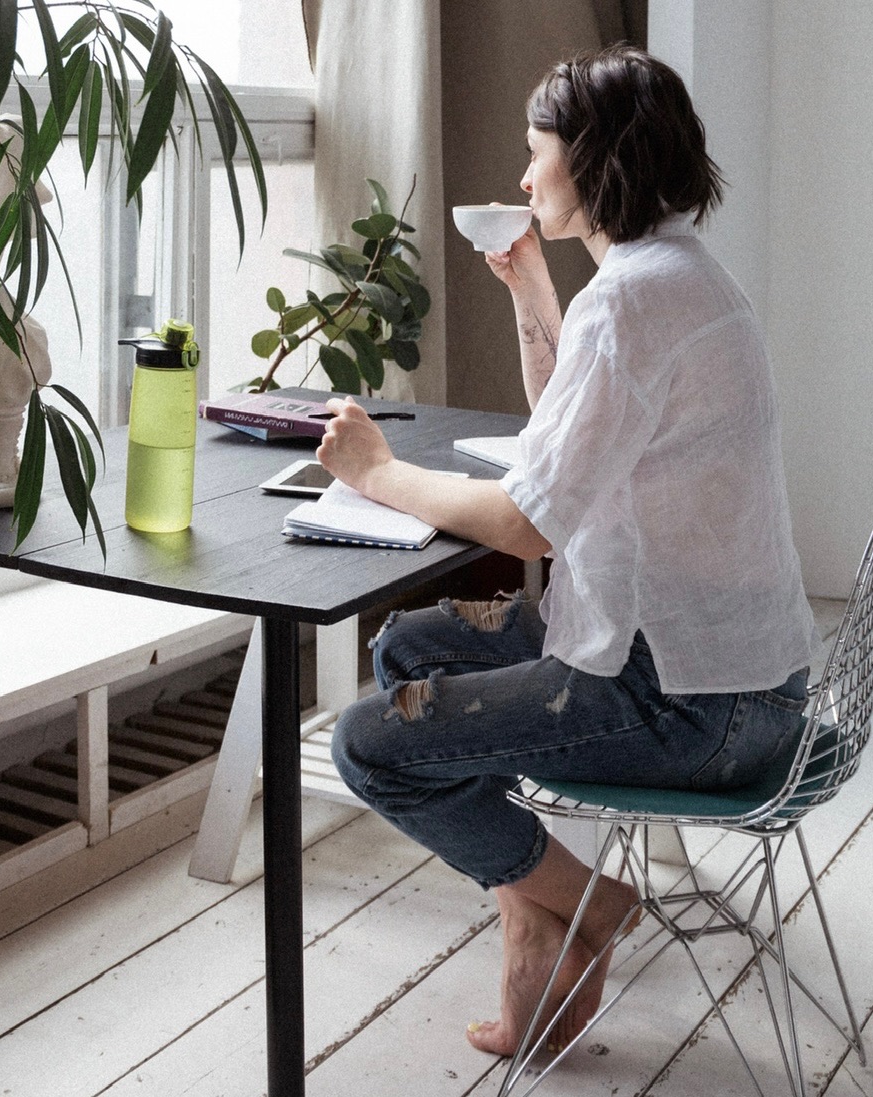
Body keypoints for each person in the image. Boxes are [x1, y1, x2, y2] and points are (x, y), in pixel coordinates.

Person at [318, 45, 818, 1058]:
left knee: (371, 741)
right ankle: (530, 917)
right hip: (741, 686)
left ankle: (586, 902)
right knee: (417, 647)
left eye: (537, 152)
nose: (524, 176)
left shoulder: (632, 300)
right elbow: (569, 451)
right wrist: (532, 298)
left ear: (594, 161)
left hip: (680, 706)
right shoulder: (678, 277)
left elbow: (528, 521)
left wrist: (371, 471)